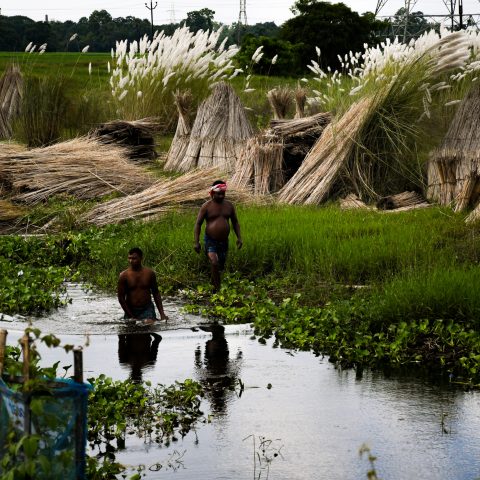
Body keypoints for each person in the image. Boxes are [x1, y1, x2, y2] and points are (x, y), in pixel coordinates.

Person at [194, 180, 243, 291]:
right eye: (218, 193)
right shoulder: (206, 206)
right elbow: (198, 224)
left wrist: (239, 238)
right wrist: (196, 242)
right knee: (214, 262)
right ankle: (218, 290)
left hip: (224, 241)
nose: (221, 196)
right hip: (211, 240)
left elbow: (235, 222)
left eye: (223, 193)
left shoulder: (229, 206)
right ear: (212, 193)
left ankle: (213, 283)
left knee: (220, 265)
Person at [117, 247, 168, 323]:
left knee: (148, 323)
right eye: (129, 258)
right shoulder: (124, 276)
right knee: (131, 328)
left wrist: (162, 314)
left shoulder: (149, 273)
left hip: (146, 308)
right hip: (130, 309)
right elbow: (121, 298)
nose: (131, 261)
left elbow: (156, 293)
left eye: (134, 258)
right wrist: (131, 316)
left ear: (141, 258)